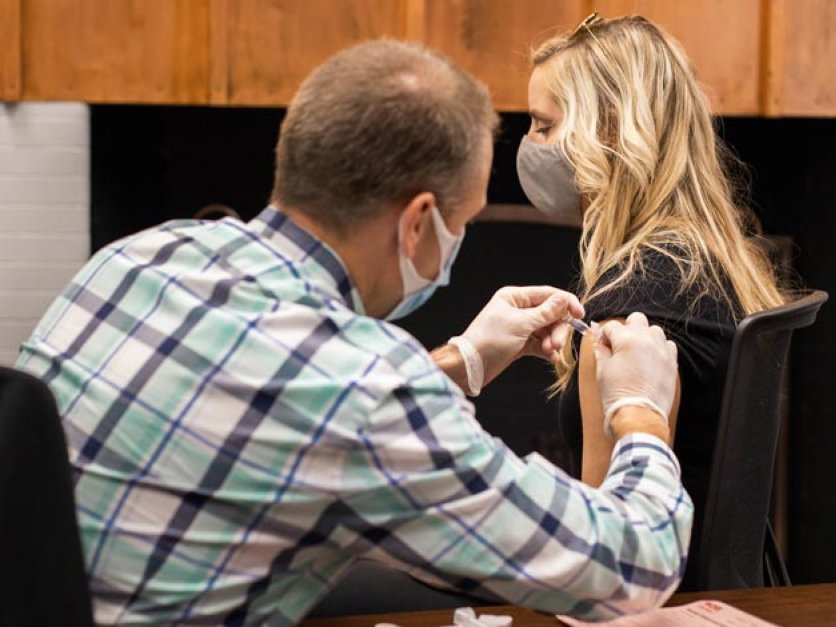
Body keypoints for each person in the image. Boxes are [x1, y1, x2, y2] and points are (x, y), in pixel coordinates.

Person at [17, 40, 691, 625]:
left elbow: (277, 414)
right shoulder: (364, 389)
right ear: (418, 223)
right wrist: (640, 409)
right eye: (466, 221)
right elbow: (631, 566)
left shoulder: (140, 257)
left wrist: (467, 358)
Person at [516, 14, 785, 588]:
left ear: (609, 129)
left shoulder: (631, 305)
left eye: (542, 125)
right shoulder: (709, 261)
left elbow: (603, 562)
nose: (530, 146)